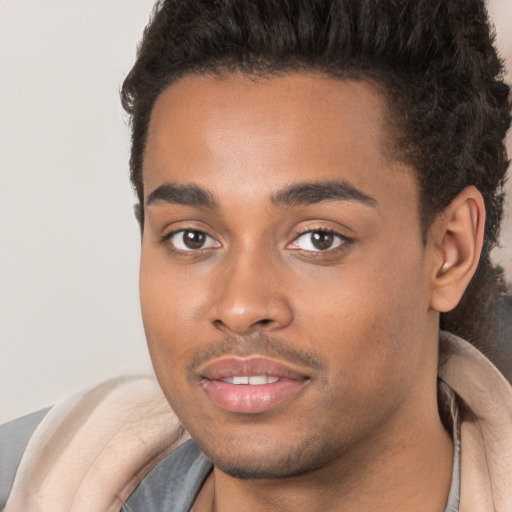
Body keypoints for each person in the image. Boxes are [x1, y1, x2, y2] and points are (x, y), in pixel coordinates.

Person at [1, 0, 511, 510]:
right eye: (192, 238)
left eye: (318, 239)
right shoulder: (25, 480)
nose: (241, 306)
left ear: (449, 251)